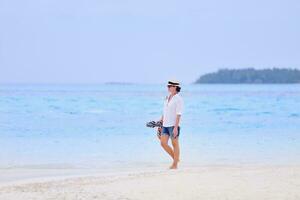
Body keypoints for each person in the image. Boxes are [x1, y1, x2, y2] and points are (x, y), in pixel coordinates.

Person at [158, 80, 184, 169]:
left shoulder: (178, 99)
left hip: (173, 125)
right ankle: (176, 159)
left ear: (175, 87)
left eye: (170, 86)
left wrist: (176, 127)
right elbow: (165, 111)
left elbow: (179, 114)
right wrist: (160, 121)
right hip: (165, 124)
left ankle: (175, 164)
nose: (168, 87)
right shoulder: (167, 97)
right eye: (168, 86)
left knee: (175, 144)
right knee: (163, 143)